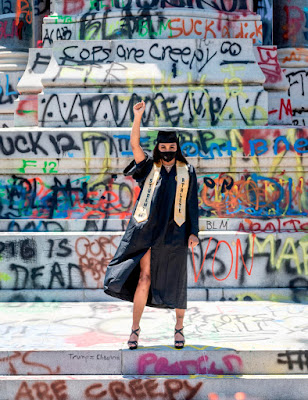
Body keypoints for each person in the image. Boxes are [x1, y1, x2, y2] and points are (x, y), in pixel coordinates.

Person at [103, 100, 199, 350]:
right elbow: (134, 144)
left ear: (177, 148)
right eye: (163, 146)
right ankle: (135, 330)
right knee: (144, 278)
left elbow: (192, 204)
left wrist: (194, 232)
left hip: (176, 232)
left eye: (171, 146)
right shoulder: (149, 167)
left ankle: (178, 329)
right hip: (147, 233)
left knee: (178, 280)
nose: (167, 150)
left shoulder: (187, 171)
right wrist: (138, 117)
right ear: (158, 147)